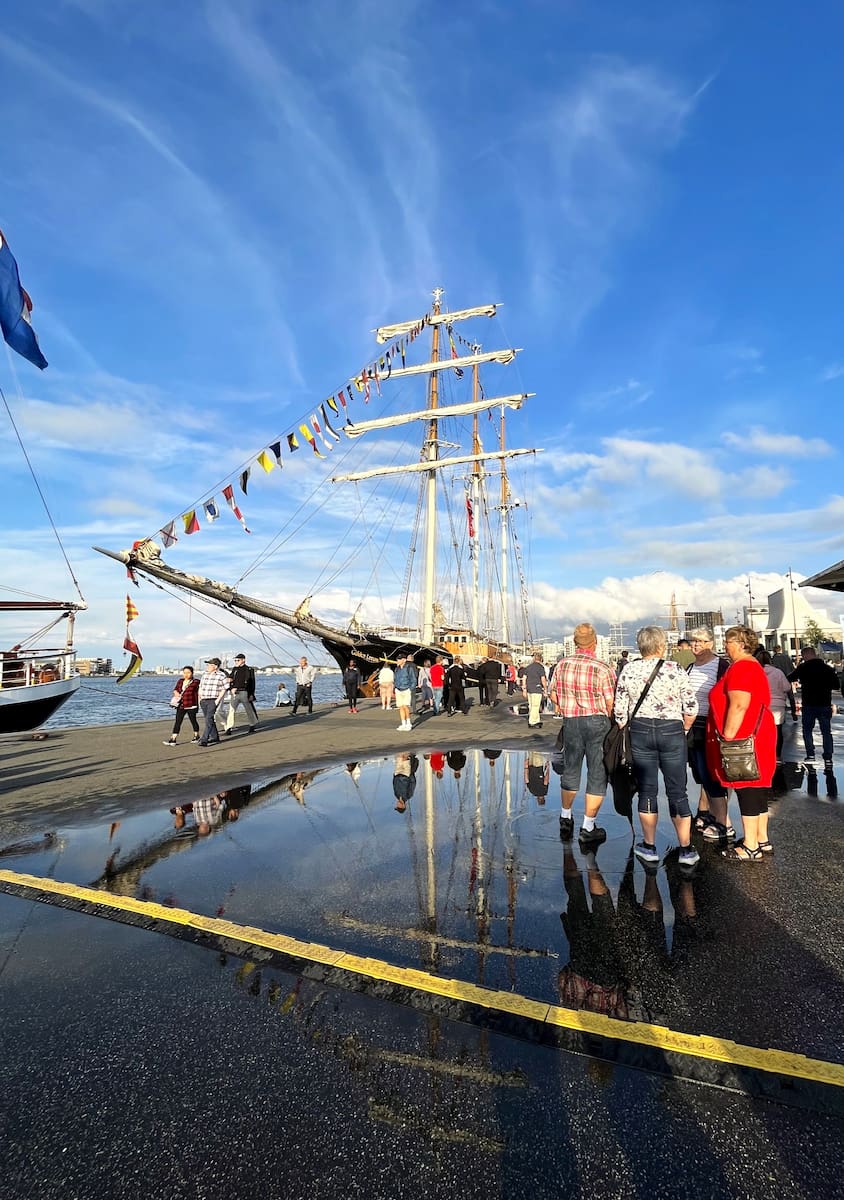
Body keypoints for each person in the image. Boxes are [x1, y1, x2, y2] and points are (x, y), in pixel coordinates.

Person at [614, 626, 699, 867]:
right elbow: (691, 707)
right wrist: (683, 728)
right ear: (662, 646)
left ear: (640, 646)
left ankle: (649, 846)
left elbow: (620, 712)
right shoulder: (675, 669)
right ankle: (686, 848)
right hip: (672, 729)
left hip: (640, 729)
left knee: (647, 789)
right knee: (677, 790)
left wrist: (626, 724)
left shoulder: (629, 670)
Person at [706, 625, 777, 861]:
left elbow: (738, 704)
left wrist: (728, 736)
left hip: (744, 735)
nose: (724, 646)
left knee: (746, 786)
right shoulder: (752, 666)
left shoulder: (742, 667)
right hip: (757, 734)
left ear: (740, 644)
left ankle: (750, 846)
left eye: (727, 642)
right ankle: (761, 838)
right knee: (757, 786)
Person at [550, 623, 617, 846]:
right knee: (597, 771)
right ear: (595, 642)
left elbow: (553, 695)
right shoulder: (603, 667)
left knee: (571, 768)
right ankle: (588, 826)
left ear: (575, 643)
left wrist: (564, 705)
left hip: (571, 722)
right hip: (597, 722)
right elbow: (611, 702)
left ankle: (565, 815)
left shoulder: (562, 665)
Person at [685, 629, 730, 841]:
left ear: (711, 643)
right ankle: (710, 814)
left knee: (712, 774)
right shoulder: (691, 667)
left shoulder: (721, 666)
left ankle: (724, 822)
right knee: (701, 774)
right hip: (693, 727)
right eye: (693, 641)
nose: (696, 645)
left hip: (711, 726)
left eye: (701, 641)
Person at [788, 646, 840, 766]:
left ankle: (810, 754)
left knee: (807, 730)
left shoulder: (803, 667)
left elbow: (790, 678)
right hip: (824, 703)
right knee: (826, 731)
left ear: (805, 655)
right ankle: (828, 756)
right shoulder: (828, 669)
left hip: (809, 703)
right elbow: (836, 685)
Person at [756, 648, 796, 761]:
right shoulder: (778, 672)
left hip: (760, 705)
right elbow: (787, 687)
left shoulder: (756, 672)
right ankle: (777, 756)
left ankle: (763, 754)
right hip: (778, 705)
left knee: (762, 731)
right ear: (770, 660)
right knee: (777, 731)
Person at [163, 666, 200, 745]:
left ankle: (196, 735)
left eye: (188, 672)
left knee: (193, 721)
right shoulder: (180, 681)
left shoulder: (196, 682)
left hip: (191, 705)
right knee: (178, 721)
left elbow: (200, 692)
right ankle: (173, 739)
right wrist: (176, 693)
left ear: (192, 673)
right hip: (181, 705)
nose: (186, 674)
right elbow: (176, 689)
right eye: (184, 673)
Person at [197, 657, 229, 746]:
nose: (207, 666)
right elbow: (201, 686)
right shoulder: (205, 674)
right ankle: (215, 737)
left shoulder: (221, 675)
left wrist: (218, 700)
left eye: (209, 665)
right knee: (209, 719)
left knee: (209, 718)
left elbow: (225, 688)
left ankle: (204, 739)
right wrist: (200, 697)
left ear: (215, 666)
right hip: (204, 700)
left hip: (213, 700)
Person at [224, 652, 259, 735]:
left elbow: (252, 683)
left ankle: (252, 724)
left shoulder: (249, 670)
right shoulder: (234, 669)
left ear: (243, 660)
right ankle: (229, 727)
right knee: (231, 710)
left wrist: (251, 694)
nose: (236, 662)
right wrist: (230, 687)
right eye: (235, 660)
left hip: (244, 691)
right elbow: (231, 678)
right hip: (234, 692)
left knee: (248, 709)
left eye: (238, 660)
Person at [519, 652, 548, 729]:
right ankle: (532, 722)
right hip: (537, 688)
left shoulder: (528, 667)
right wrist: (545, 689)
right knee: (536, 706)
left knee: (531, 705)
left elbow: (524, 678)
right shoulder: (540, 667)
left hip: (529, 688)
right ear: (541, 659)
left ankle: (536, 720)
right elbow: (543, 679)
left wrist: (524, 689)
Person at [393, 654, 416, 731]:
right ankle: (403, 723)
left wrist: (410, 689)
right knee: (401, 707)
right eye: (397, 659)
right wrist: (395, 687)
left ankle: (408, 723)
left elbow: (413, 679)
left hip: (406, 689)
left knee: (406, 706)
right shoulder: (397, 669)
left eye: (399, 659)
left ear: (404, 660)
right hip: (398, 689)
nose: (398, 661)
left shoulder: (409, 668)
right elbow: (395, 679)